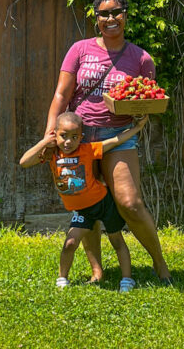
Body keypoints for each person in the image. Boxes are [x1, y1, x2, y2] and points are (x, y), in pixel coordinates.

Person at [44, 0, 173, 285]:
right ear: (96, 18)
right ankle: (97, 270)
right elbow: (61, 95)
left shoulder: (141, 58)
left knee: (129, 202)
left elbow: (145, 98)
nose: (110, 18)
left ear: (125, 15)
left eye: (116, 12)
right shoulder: (80, 49)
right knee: (88, 201)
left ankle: (159, 261)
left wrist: (142, 113)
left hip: (119, 136)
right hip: (80, 137)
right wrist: (50, 133)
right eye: (104, 13)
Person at [20, 111, 146, 290]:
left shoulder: (87, 150)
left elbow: (115, 141)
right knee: (70, 243)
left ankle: (127, 279)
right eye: (63, 136)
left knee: (116, 240)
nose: (68, 142)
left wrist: (137, 128)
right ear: (55, 134)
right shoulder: (51, 154)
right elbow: (24, 162)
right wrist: (44, 142)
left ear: (81, 138)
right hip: (83, 210)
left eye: (74, 137)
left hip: (104, 203)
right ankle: (62, 280)